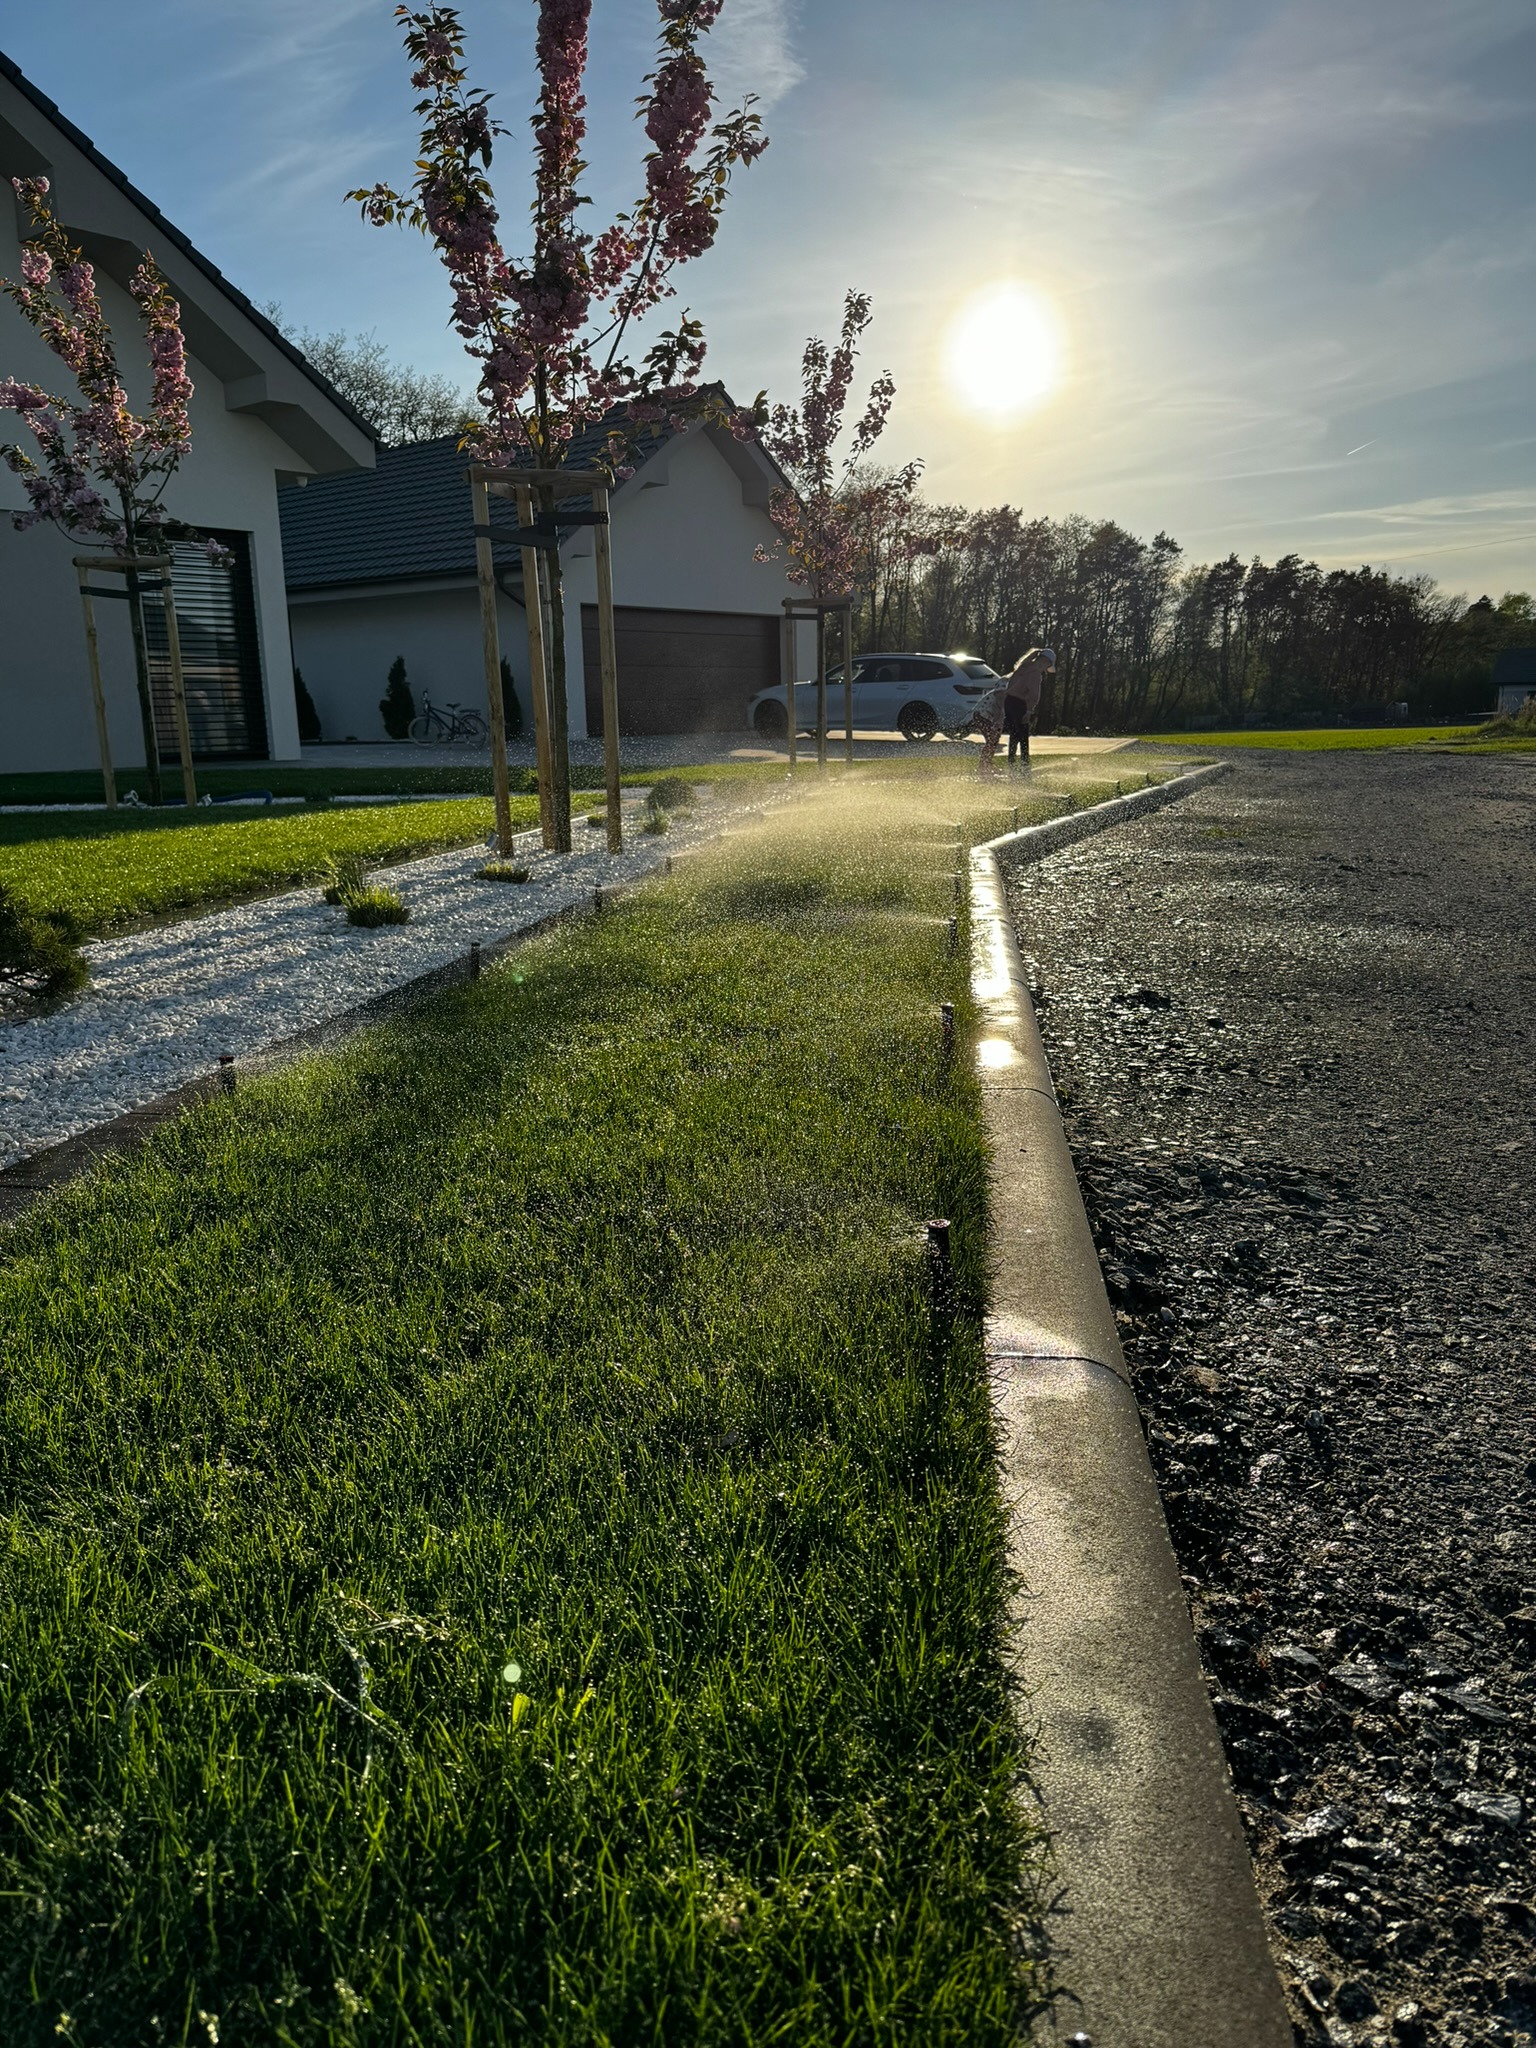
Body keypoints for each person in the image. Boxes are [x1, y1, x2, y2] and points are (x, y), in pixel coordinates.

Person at [1004, 646, 1055, 766]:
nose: (1046, 669)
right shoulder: (1035, 674)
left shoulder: (1023, 666)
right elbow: (1034, 694)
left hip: (1009, 702)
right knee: (1023, 736)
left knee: (1014, 734)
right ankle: (1024, 764)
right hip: (1020, 705)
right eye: (1047, 665)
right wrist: (1029, 711)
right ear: (1044, 661)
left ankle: (1011, 761)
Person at [968, 680, 1008, 776]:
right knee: (991, 740)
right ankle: (984, 767)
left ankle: (987, 764)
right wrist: (997, 724)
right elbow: (998, 711)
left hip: (983, 717)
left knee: (993, 741)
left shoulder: (999, 693)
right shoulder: (1000, 694)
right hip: (981, 717)